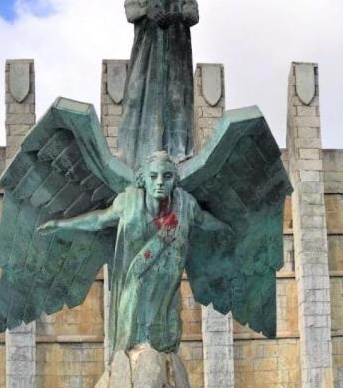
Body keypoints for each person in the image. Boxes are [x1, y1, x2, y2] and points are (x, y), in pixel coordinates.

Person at [38, 151, 229, 354]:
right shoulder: (128, 202)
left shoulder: (185, 205)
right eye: (153, 176)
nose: (159, 182)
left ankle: (161, 362)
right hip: (135, 282)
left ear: (174, 180)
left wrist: (226, 228)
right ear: (143, 179)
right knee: (131, 334)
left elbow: (204, 220)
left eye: (167, 176)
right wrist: (60, 224)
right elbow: (99, 219)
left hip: (166, 288)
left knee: (165, 334)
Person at [117, 0, 200, 168]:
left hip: (176, 60)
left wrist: (173, 15)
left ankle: (179, 154)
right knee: (135, 97)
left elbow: (192, 16)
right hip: (146, 59)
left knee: (176, 100)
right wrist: (148, 11)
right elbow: (131, 13)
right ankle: (131, 155)